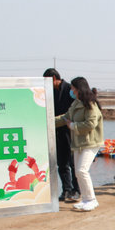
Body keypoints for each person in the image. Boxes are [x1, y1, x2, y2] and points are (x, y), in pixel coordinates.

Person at [55, 77, 104, 212]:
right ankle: (85, 199)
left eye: (72, 88)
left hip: (90, 142)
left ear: (78, 88)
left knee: (82, 170)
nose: (71, 91)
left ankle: (92, 200)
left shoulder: (90, 104)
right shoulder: (76, 103)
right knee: (78, 172)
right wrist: (48, 120)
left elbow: (90, 124)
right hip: (78, 143)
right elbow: (65, 117)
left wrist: (73, 126)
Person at [43, 68, 81, 202]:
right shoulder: (51, 92)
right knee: (61, 163)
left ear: (53, 78)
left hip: (70, 130)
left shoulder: (69, 90)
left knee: (73, 162)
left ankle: (77, 190)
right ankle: (66, 189)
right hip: (58, 131)